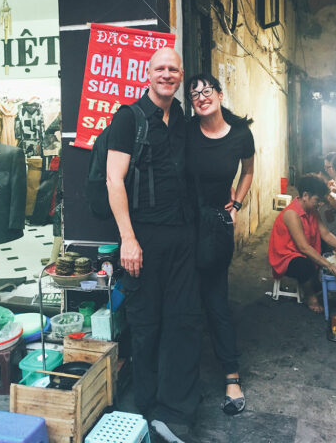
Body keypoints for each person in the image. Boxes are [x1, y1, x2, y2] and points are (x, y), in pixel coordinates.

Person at [106, 48, 201, 443]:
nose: (167, 74)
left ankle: (176, 407)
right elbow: (115, 181)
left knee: (181, 322)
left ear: (180, 76)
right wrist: (128, 239)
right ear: (148, 74)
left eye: (173, 69)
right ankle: (146, 405)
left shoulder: (181, 118)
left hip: (182, 237)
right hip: (142, 238)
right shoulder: (129, 118)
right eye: (160, 68)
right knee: (146, 324)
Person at [185, 73, 255, 417]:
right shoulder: (185, 131)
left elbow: (248, 171)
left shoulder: (240, 133)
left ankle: (231, 376)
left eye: (206, 89)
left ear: (219, 93)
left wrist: (237, 204)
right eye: (194, 93)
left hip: (215, 225)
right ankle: (183, 381)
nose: (201, 96)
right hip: (183, 225)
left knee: (215, 300)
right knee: (183, 300)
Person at [268, 173, 336, 313]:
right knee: (306, 266)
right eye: (317, 199)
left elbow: (326, 234)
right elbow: (303, 247)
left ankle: (314, 283)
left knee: (328, 252)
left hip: (303, 252)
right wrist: (330, 265)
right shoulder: (292, 214)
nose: (319, 203)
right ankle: (310, 298)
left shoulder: (312, 211)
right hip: (286, 257)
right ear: (305, 195)